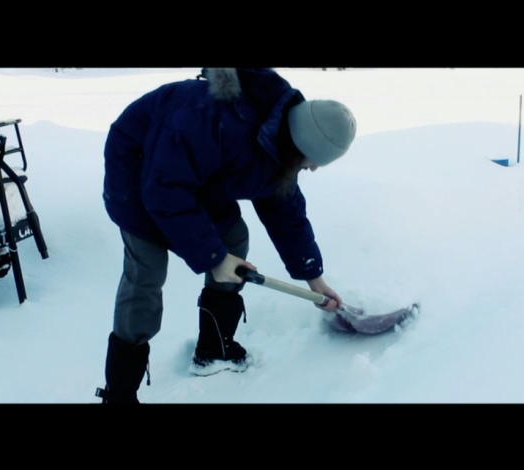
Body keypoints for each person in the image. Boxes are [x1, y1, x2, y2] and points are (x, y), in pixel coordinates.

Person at [96, 68, 357, 403]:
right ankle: (119, 394)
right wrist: (214, 259)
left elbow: (285, 212)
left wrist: (313, 278)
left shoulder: (278, 141)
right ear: (301, 143)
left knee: (233, 237)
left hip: (192, 176)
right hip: (136, 165)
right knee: (147, 271)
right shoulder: (212, 123)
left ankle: (214, 348)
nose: (314, 168)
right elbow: (165, 192)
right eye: (314, 159)